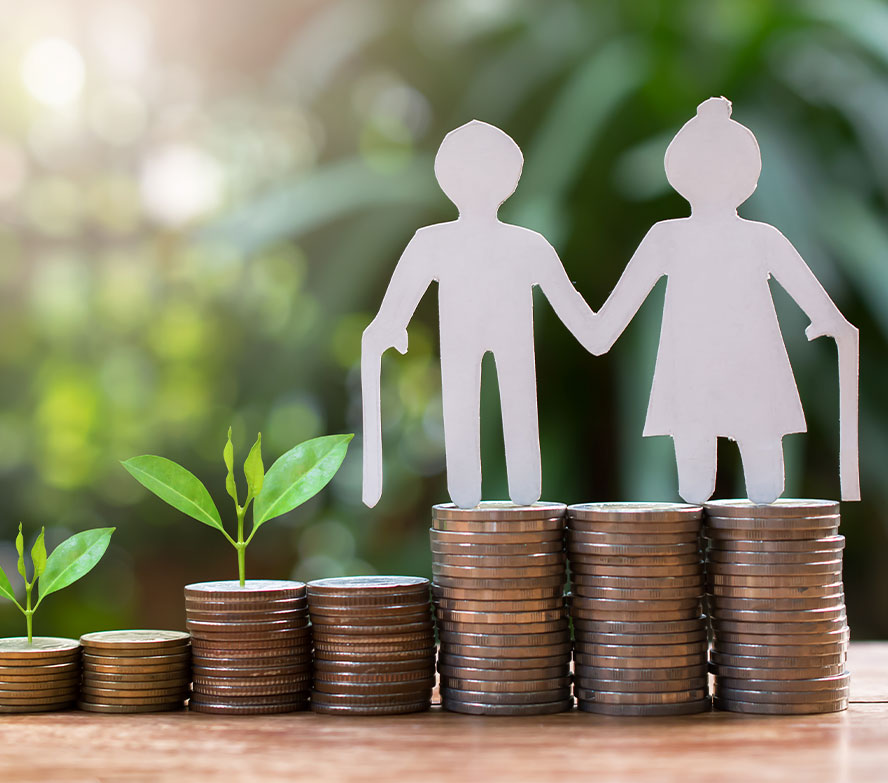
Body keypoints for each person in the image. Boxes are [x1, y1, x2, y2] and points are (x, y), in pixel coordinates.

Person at [587, 97, 858, 505]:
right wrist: (833, 326)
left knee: (736, 485)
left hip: (715, 371)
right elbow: (822, 309)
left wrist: (833, 323)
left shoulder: (678, 236)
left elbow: (611, 318)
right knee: (722, 483)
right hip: (725, 373)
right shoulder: (747, 237)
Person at [361, 120, 602, 509]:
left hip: (501, 341)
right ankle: (482, 491)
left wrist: (385, 329)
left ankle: (513, 489)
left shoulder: (520, 244)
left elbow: (583, 322)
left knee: (514, 406)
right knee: (469, 415)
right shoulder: (462, 242)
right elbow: (393, 311)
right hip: (465, 341)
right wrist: (385, 328)